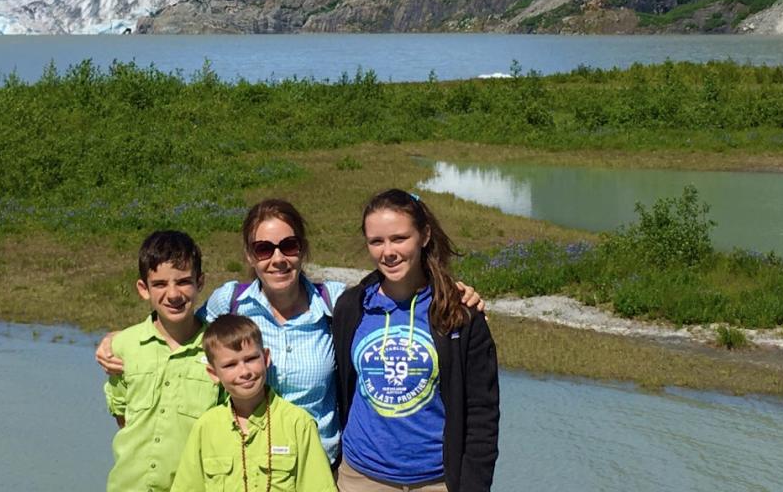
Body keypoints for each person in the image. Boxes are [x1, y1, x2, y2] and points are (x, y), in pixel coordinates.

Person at [97, 199, 484, 466]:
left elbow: (396, 293)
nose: (277, 258)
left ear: (302, 249)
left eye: (288, 245)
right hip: (247, 466)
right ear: (250, 255)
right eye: (264, 248)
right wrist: (119, 340)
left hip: (322, 465)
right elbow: (177, 321)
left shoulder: (337, 303)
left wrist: (450, 290)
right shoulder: (227, 303)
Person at [333, 190, 499, 492]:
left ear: (424, 236)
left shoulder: (460, 314)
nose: (388, 252)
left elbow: (482, 417)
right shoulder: (351, 307)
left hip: (436, 481)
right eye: (376, 241)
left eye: (399, 238)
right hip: (361, 478)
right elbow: (341, 388)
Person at [103, 230, 221, 492]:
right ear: (143, 289)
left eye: (183, 282)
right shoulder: (123, 347)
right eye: (160, 284)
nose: (173, 294)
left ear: (200, 282)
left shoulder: (218, 350)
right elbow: (121, 416)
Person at [170, 314, 336, 492]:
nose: (244, 372)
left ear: (265, 358)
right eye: (230, 365)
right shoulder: (205, 428)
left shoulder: (298, 424)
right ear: (213, 373)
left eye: (250, 359)